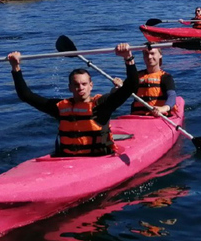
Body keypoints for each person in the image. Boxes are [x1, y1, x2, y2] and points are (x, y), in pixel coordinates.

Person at [7, 43, 138, 157]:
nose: (80, 88)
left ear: (91, 86)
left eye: (84, 84)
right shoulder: (60, 107)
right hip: (66, 160)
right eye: (76, 85)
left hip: (98, 159)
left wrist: (128, 58)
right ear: (70, 87)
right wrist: (15, 68)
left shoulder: (103, 105)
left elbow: (131, 86)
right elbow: (26, 95)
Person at [112, 47, 178, 116]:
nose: (149, 57)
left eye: (152, 53)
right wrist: (118, 87)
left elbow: (172, 95)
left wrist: (164, 108)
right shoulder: (136, 77)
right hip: (137, 117)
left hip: (158, 116)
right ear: (143, 57)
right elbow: (119, 95)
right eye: (146, 54)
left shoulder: (166, 77)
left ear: (160, 55)